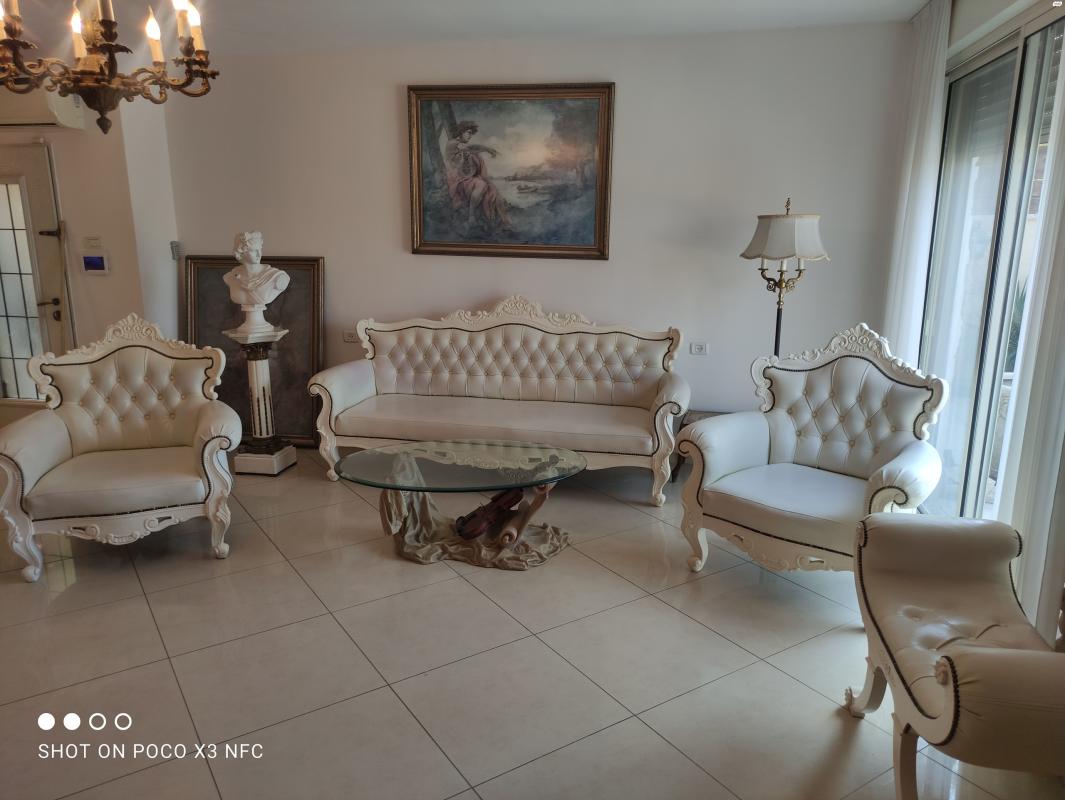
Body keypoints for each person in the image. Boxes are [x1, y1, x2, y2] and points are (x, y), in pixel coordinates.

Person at [444, 121, 511, 234]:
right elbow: (471, 148)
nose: (470, 136)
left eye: (471, 133)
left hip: (467, 177)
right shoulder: (453, 143)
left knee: (493, 191)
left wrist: (487, 150)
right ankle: (471, 216)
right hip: (457, 179)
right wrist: (488, 149)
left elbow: (470, 150)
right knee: (482, 184)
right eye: (468, 132)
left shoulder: (461, 145)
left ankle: (502, 223)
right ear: (461, 132)